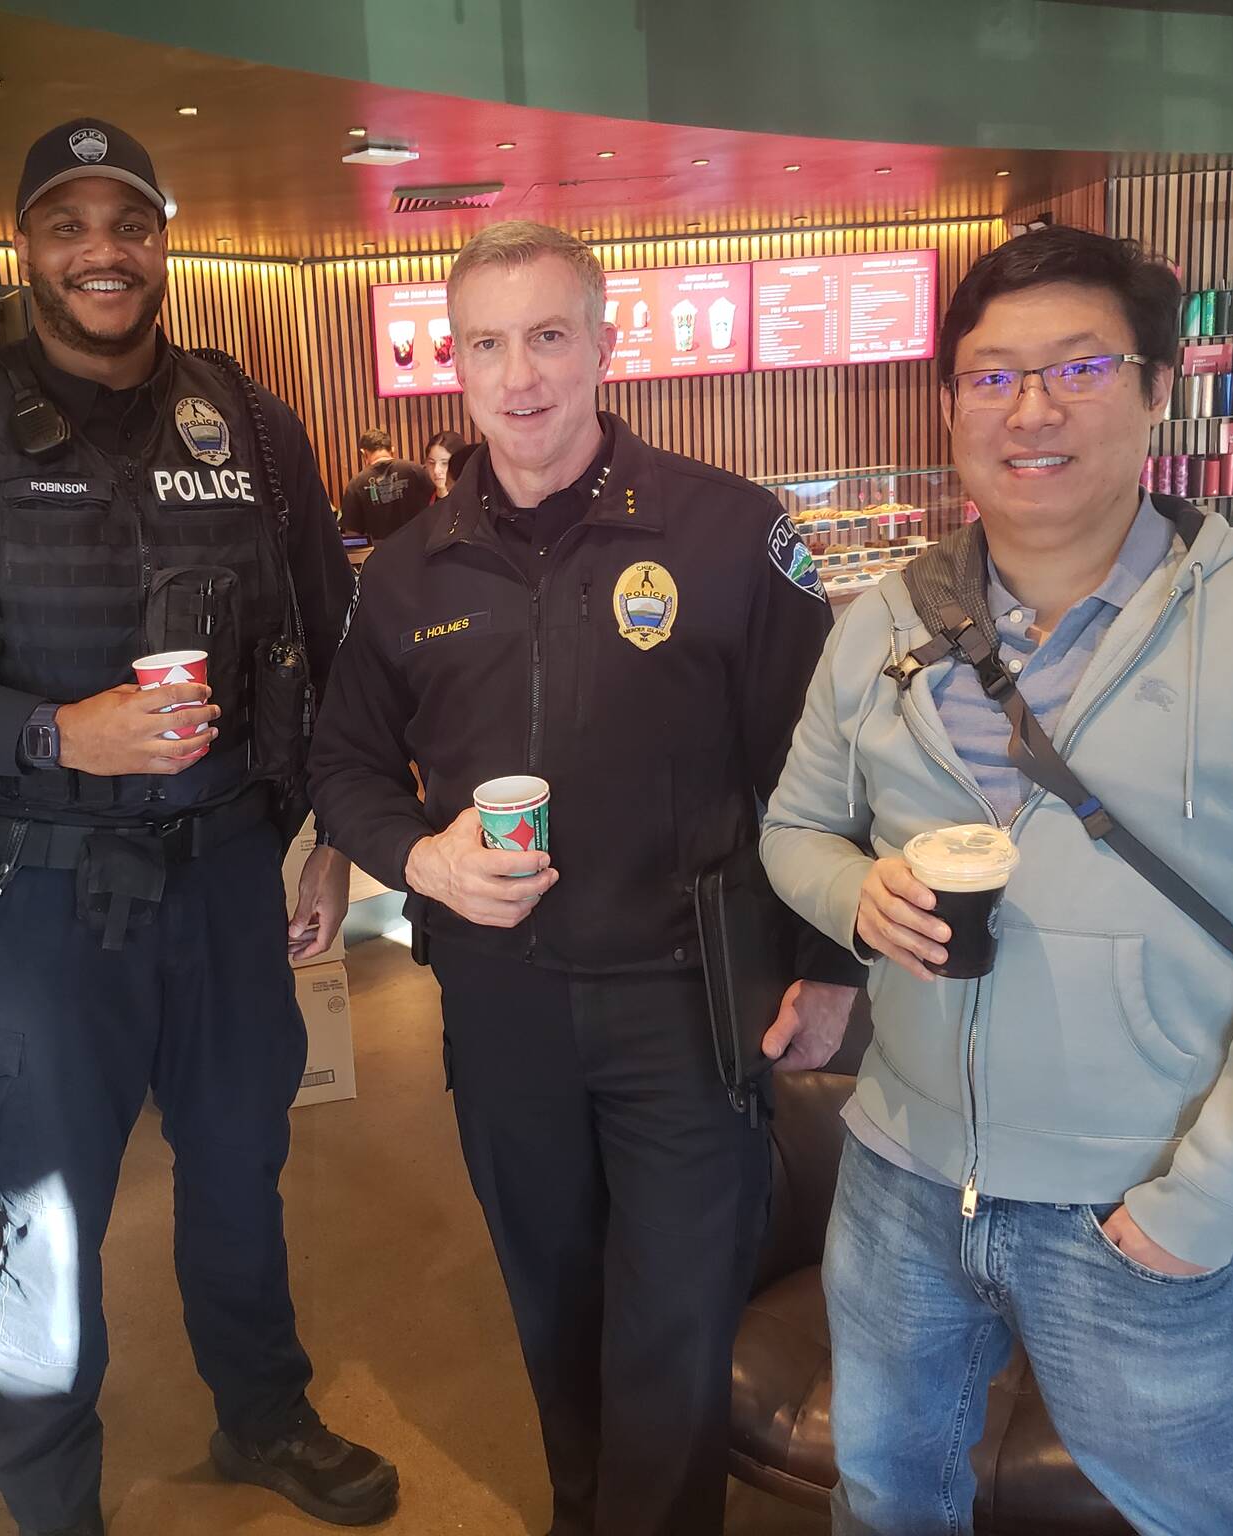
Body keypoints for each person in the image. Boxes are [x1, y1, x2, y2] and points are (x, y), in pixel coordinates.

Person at [759, 226, 1233, 1534]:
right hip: (899, 1177)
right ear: (951, 403)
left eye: (1078, 368)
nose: (1032, 410)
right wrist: (853, 896)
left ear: (1159, 389)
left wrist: (1208, 1201)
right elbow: (796, 830)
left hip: (1141, 1194)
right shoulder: (882, 624)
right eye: (993, 377)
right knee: (888, 1492)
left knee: (1196, 1513)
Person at [0, 118, 394, 1536]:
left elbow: (334, 640)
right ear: (27, 247)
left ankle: (264, 1413)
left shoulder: (253, 422)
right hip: (45, 895)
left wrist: (328, 833)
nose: (101, 252)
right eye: (69, 224)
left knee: (242, 1170)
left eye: (126, 223)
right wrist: (47, 730)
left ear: (161, 239)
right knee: (47, 1209)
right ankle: (51, 1497)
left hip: (230, 877)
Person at [307, 220, 863, 1536]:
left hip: (689, 1000)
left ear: (607, 345)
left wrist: (834, 967)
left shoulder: (731, 533)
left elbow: (831, 765)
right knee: (553, 1299)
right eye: (488, 344)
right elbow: (343, 768)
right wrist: (422, 856)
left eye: (550, 335)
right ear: (458, 366)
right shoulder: (408, 572)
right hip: (502, 1010)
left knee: (672, 1320)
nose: (521, 375)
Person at [338, 427, 435, 542]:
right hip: (420, 548)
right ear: (392, 450)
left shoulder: (355, 485)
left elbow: (352, 535)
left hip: (380, 555)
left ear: (363, 453)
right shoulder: (417, 471)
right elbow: (438, 505)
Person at [424, 429, 467, 500]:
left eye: (444, 463)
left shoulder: (474, 500)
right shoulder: (421, 498)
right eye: (431, 463)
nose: (436, 470)